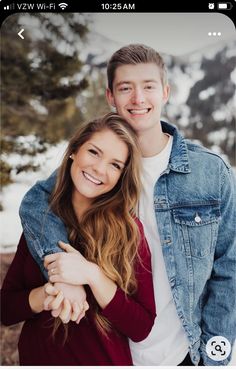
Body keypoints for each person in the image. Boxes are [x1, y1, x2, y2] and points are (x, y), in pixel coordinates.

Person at [16, 44, 235, 366]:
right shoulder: (95, 168)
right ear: (110, 97)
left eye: (148, 87)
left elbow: (229, 266)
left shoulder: (210, 172)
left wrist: (217, 354)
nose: (138, 99)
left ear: (165, 92)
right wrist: (61, 271)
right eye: (125, 88)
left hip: (183, 352)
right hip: (112, 350)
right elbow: (36, 202)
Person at [0, 113, 156, 366]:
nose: (99, 169)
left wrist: (91, 275)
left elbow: (142, 326)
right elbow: (6, 309)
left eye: (115, 165)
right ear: (74, 150)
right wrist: (47, 294)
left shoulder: (128, 233)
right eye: (94, 152)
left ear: (121, 176)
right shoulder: (39, 224)